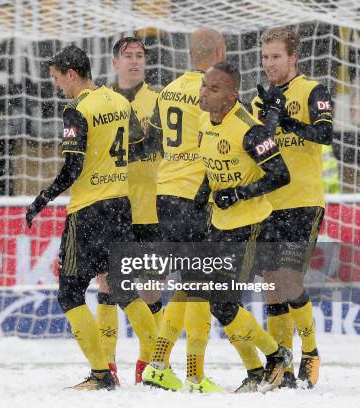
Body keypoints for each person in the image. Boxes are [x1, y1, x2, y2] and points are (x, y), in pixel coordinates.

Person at [25, 44, 156, 390]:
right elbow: (139, 145)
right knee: (125, 290)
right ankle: (156, 364)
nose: (57, 86)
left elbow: (73, 167)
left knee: (70, 295)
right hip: (120, 207)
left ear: (71, 74)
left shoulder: (77, 110)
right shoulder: (119, 101)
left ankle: (101, 374)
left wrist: (43, 198)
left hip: (88, 214)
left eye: (57, 78)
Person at [197, 61, 292, 393]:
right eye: (204, 86)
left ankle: (277, 357)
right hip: (219, 224)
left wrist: (238, 193)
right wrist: (201, 200)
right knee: (218, 303)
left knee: (224, 302)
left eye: (214, 89)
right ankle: (255, 371)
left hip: (252, 224)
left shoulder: (250, 130)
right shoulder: (202, 120)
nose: (204, 94)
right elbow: (212, 170)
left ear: (232, 95)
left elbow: (281, 175)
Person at [142, 27, 226, 393]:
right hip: (196, 197)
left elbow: (157, 142)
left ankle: (159, 364)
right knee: (199, 287)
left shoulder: (169, 90)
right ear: (220, 51)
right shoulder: (214, 91)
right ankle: (193, 374)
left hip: (165, 193)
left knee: (185, 286)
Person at [251, 26, 333, 389]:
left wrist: (285, 120)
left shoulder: (312, 90)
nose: (269, 63)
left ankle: (311, 353)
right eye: (265, 57)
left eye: (276, 57)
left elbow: (325, 134)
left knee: (289, 279)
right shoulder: (260, 99)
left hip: (302, 202)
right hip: (268, 204)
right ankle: (281, 358)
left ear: (293, 58)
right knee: (270, 283)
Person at [95, 36, 165, 385]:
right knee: (107, 285)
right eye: (128, 56)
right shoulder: (100, 102)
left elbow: (166, 147)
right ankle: (106, 366)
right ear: (114, 62)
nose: (134, 61)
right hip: (111, 209)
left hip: (151, 207)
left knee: (151, 289)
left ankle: (149, 366)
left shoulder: (160, 100)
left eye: (139, 56)